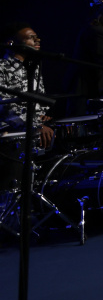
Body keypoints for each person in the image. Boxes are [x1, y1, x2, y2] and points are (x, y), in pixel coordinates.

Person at [1, 25, 56, 186]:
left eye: (37, 37)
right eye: (31, 38)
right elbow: (5, 107)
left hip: (32, 129)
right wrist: (36, 124)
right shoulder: (2, 67)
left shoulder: (33, 67)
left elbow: (40, 98)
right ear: (12, 43)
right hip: (9, 135)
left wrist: (42, 116)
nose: (37, 40)